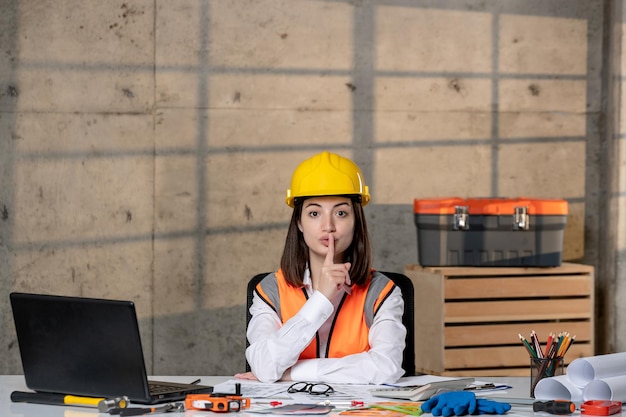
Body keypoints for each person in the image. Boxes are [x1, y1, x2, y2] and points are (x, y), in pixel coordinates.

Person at [235, 151, 406, 384]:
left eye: (341, 213)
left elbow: (386, 368)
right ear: (299, 223)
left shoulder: (383, 292)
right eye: (314, 213)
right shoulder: (270, 290)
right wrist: (321, 299)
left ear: (356, 221)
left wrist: (293, 373)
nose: (328, 226)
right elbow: (265, 366)